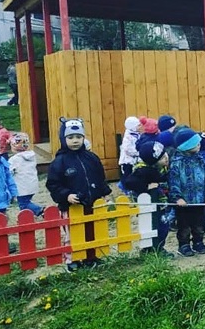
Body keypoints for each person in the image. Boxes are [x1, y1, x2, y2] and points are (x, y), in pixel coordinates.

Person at [46, 118, 112, 272]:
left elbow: (100, 177)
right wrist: (66, 195)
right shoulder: (59, 161)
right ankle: (73, 260)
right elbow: (53, 184)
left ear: (83, 137)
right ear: (63, 139)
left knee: (91, 230)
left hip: (92, 203)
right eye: (70, 138)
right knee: (73, 233)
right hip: (71, 206)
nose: (75, 141)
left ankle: (91, 256)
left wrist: (105, 193)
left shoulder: (91, 158)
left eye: (78, 137)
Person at [168, 128, 205, 257]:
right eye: (196, 143)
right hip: (183, 203)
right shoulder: (176, 164)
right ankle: (183, 245)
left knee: (200, 224)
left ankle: (198, 242)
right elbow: (173, 182)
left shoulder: (201, 161)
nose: (199, 146)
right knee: (184, 225)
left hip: (199, 200)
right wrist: (177, 198)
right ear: (187, 146)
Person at [124, 140, 173, 257]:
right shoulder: (143, 170)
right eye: (161, 159)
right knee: (156, 227)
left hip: (160, 204)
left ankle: (155, 248)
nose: (165, 158)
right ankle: (154, 249)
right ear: (153, 162)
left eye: (165, 155)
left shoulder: (161, 167)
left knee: (163, 226)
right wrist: (146, 187)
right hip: (150, 206)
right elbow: (129, 182)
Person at [8, 132, 43, 217]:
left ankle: (40, 211)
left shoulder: (14, 159)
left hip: (21, 187)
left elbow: (9, 171)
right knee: (26, 202)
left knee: (23, 204)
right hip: (31, 185)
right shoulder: (31, 156)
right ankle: (28, 216)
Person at [118, 116, 142, 185]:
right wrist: (138, 153)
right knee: (128, 175)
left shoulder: (136, 134)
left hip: (134, 160)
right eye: (138, 125)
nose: (140, 127)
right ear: (133, 127)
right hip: (127, 161)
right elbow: (128, 149)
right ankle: (125, 186)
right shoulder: (128, 137)